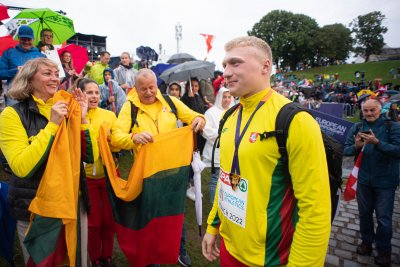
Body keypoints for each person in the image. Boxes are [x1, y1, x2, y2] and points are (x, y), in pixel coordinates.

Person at [202, 36, 331, 266]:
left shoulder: (295, 120)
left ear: (265, 66)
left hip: (270, 259)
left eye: (235, 63)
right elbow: (226, 178)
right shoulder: (229, 117)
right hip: (229, 250)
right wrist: (213, 226)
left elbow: (315, 210)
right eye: (224, 66)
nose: (227, 73)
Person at [0, 58, 94, 264]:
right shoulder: (11, 115)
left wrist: (83, 119)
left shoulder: (67, 106)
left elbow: (89, 156)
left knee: (74, 259)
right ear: (29, 79)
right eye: (47, 73)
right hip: (35, 209)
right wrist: (52, 125)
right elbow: (21, 166)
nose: (55, 78)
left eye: (55, 73)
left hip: (72, 202)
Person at [111, 68, 206, 267]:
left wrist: (199, 119)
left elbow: (195, 116)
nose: (148, 92)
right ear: (135, 89)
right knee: (153, 216)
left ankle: (179, 249)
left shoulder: (170, 101)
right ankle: (153, 256)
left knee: (175, 212)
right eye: (143, 88)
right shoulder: (130, 107)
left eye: (151, 87)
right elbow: (115, 138)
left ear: (157, 86)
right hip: (149, 174)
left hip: (174, 171)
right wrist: (132, 138)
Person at [344, 99, 400, 266]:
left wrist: (377, 143)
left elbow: (398, 151)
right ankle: (366, 243)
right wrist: (356, 146)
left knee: (383, 218)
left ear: (380, 110)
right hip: (363, 180)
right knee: (364, 214)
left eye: (372, 110)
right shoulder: (357, 127)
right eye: (366, 111)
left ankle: (384, 251)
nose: (368, 114)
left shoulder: (393, 127)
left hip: (385, 181)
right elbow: (345, 150)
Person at [75, 78, 117, 267]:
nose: (93, 96)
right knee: (94, 222)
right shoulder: (74, 115)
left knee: (109, 221)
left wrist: (112, 140)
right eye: (89, 92)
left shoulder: (109, 115)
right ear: (81, 94)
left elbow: (118, 140)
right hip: (87, 178)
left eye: (96, 93)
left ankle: (107, 256)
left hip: (108, 176)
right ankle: (94, 258)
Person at [202, 87, 233, 204]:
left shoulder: (234, 111)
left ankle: (226, 205)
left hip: (231, 153)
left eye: (229, 97)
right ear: (219, 97)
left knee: (228, 181)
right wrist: (223, 134)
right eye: (224, 97)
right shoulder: (211, 112)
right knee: (215, 180)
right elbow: (205, 131)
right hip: (215, 153)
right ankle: (214, 207)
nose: (227, 100)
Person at [0, 25, 45, 106]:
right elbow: (1, 73)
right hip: (13, 95)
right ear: (18, 38)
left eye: (29, 39)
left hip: (35, 94)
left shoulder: (41, 56)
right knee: (13, 117)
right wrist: (15, 71)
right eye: (23, 39)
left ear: (33, 39)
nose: (26, 42)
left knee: (33, 118)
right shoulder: (9, 53)